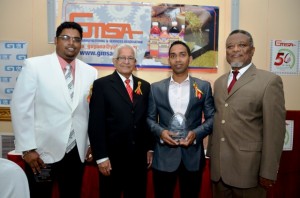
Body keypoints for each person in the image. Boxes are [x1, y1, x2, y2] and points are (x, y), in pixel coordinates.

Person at [10, 21, 98, 198]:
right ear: (56, 40)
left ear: (81, 43)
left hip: (76, 152)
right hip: (41, 153)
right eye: (65, 38)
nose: (71, 43)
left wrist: (89, 143)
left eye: (76, 39)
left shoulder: (90, 72)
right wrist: (27, 149)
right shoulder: (34, 66)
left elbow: (89, 111)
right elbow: (20, 108)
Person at [207, 29, 286, 198]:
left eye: (241, 45)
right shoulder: (220, 83)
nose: (235, 49)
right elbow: (219, 121)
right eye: (230, 46)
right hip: (219, 174)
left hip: (250, 174)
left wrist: (268, 171)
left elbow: (275, 133)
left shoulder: (269, 82)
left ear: (252, 50)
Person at [147, 40, 215, 198]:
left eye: (182, 55)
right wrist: (161, 132)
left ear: (190, 59)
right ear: (169, 60)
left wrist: (196, 134)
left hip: (192, 158)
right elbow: (149, 119)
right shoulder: (155, 88)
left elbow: (212, 118)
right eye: (173, 56)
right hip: (163, 157)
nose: (178, 59)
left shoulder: (203, 86)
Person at [88, 44, 153, 198]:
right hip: (111, 161)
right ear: (114, 61)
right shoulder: (101, 85)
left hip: (138, 161)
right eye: (122, 58)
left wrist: (150, 148)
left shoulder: (144, 86)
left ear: (135, 61)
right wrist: (101, 157)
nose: (126, 61)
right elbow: (96, 124)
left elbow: (148, 120)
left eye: (130, 58)